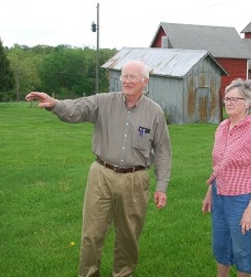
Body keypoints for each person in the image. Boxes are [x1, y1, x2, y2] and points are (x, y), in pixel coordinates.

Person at [25, 60, 172, 277]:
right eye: (124, 76)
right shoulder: (104, 102)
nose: (127, 80)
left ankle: (123, 273)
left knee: (128, 237)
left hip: (135, 179)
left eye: (133, 76)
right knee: (91, 235)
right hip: (101, 176)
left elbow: (162, 151)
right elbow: (77, 108)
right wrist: (55, 104)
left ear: (145, 81)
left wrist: (161, 186)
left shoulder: (154, 112)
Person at [201, 78, 251, 277]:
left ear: (248, 103)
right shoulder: (223, 127)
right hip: (220, 195)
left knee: (243, 249)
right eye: (226, 98)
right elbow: (219, 164)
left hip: (243, 198)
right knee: (221, 245)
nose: (228, 102)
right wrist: (210, 192)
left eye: (234, 99)